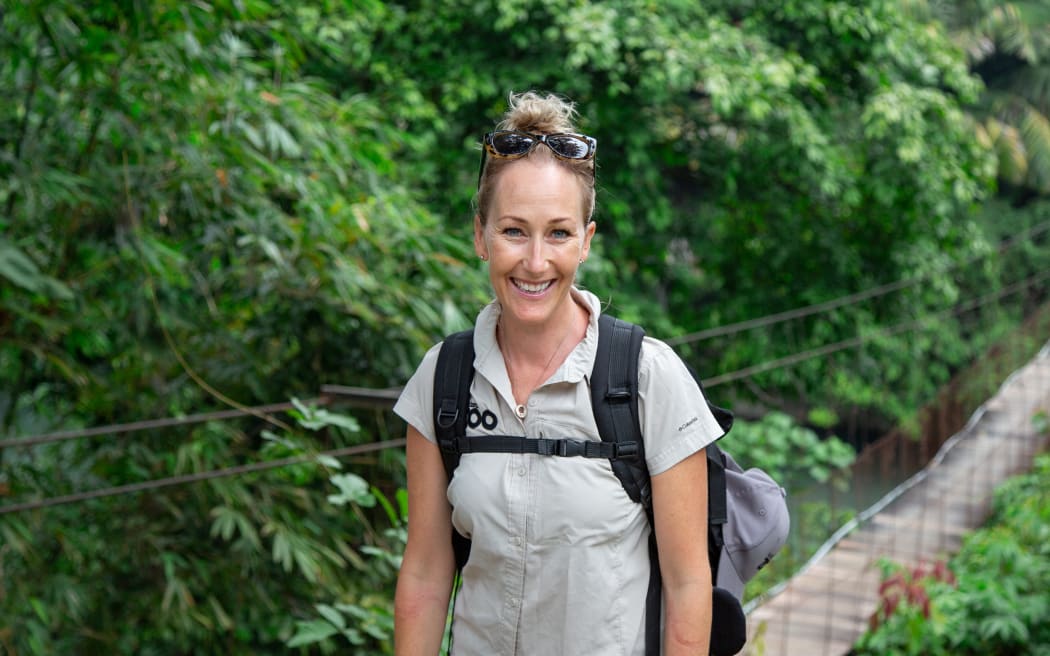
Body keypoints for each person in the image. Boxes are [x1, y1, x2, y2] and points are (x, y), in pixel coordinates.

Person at [392, 91, 727, 655]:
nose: (536, 261)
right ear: (480, 236)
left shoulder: (648, 379)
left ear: (587, 241)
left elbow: (690, 585)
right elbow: (426, 574)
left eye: (559, 233)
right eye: (514, 231)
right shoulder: (442, 378)